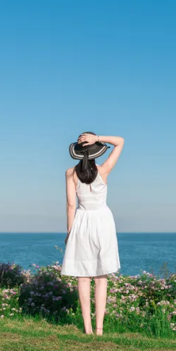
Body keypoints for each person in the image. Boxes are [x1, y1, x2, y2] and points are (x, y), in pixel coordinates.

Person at [62, 132, 124, 335]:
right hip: (103, 222)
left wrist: (69, 232)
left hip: (82, 220)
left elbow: (71, 205)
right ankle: (99, 329)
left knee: (83, 277)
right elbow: (120, 142)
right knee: (100, 277)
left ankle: (87, 328)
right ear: (96, 151)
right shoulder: (104, 170)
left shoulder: (70, 173)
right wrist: (98, 138)